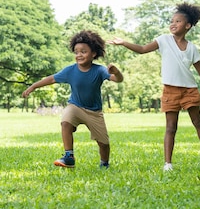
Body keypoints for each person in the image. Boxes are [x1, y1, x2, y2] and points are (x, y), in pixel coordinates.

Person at [110, 3, 200, 171]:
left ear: (187, 26)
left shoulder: (192, 48)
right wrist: (124, 43)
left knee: (198, 122)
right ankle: (168, 164)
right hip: (170, 90)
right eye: (172, 20)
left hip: (189, 89)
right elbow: (143, 49)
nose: (173, 23)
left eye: (178, 21)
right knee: (170, 127)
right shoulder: (164, 40)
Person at [22, 30, 124, 169]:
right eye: (76, 52)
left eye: (83, 51)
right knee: (65, 122)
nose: (79, 55)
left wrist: (116, 72)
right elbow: (52, 79)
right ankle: (69, 156)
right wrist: (33, 87)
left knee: (104, 143)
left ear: (93, 53)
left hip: (94, 112)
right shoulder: (70, 71)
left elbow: (118, 80)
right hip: (75, 106)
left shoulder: (99, 70)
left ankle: (104, 163)